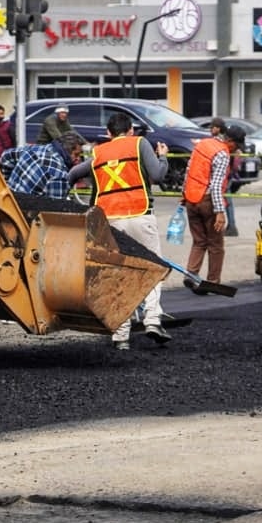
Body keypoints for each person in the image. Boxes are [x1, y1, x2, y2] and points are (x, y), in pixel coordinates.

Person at [67, 112, 170, 349]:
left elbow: (73, 174)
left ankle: (121, 334)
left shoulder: (98, 153)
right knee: (153, 269)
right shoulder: (139, 144)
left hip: (110, 221)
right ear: (131, 130)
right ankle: (152, 320)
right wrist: (163, 157)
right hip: (140, 214)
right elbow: (157, 175)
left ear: (108, 133)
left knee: (119, 274)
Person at [180, 124, 248, 290]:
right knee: (216, 245)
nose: (237, 150)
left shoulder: (203, 144)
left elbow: (189, 171)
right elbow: (216, 185)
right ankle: (212, 282)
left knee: (199, 241)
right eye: (237, 146)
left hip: (191, 199)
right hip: (207, 201)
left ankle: (191, 274)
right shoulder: (222, 153)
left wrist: (184, 194)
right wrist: (220, 212)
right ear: (230, 141)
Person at [0, 131, 86, 198]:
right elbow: (55, 209)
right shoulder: (59, 175)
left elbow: (5, 157)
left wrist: (6, 182)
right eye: (76, 155)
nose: (78, 159)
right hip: (24, 212)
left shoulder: (33, 149)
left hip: (7, 200)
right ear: (66, 151)